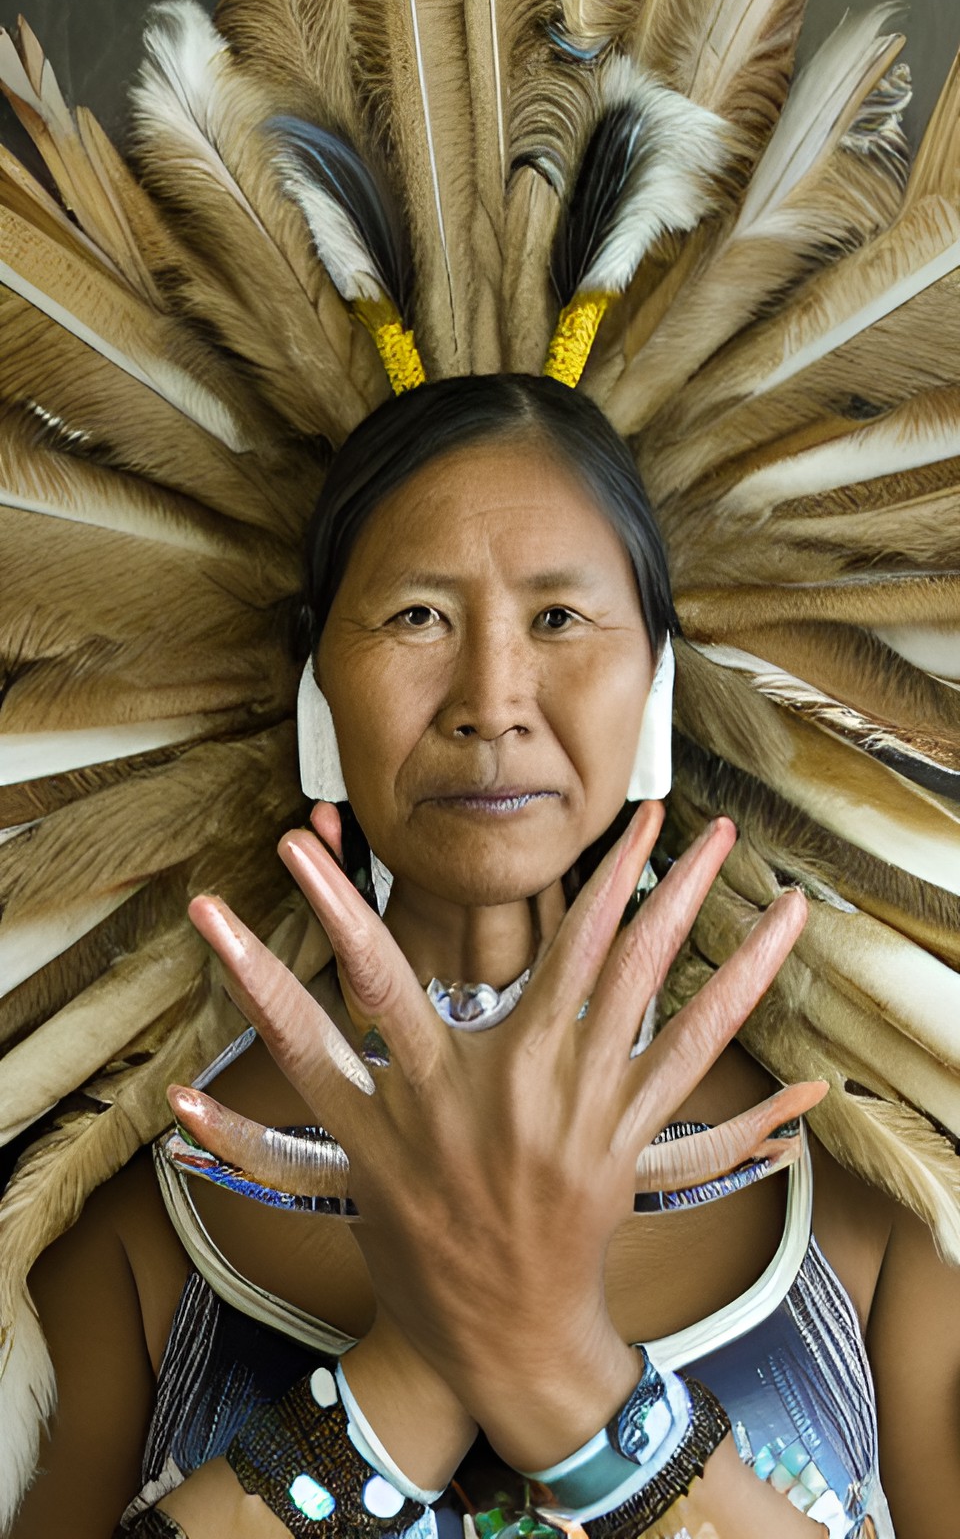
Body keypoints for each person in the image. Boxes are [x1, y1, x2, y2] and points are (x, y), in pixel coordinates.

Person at [13, 377, 960, 1539]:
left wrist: (568, 1377)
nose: (490, 700)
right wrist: (411, 1370)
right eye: (418, 616)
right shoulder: (133, 1219)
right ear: (319, 679)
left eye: (559, 617)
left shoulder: (879, 1201)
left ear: (655, 674)